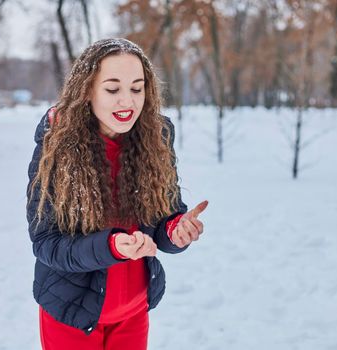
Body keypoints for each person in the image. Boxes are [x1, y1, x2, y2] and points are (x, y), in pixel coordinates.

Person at [26, 38, 209, 350]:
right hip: (72, 313)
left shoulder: (156, 140)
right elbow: (47, 244)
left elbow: (165, 217)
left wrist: (176, 230)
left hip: (133, 312)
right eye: (113, 89)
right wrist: (112, 246)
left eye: (137, 88)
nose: (128, 101)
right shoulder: (56, 145)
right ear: (87, 90)